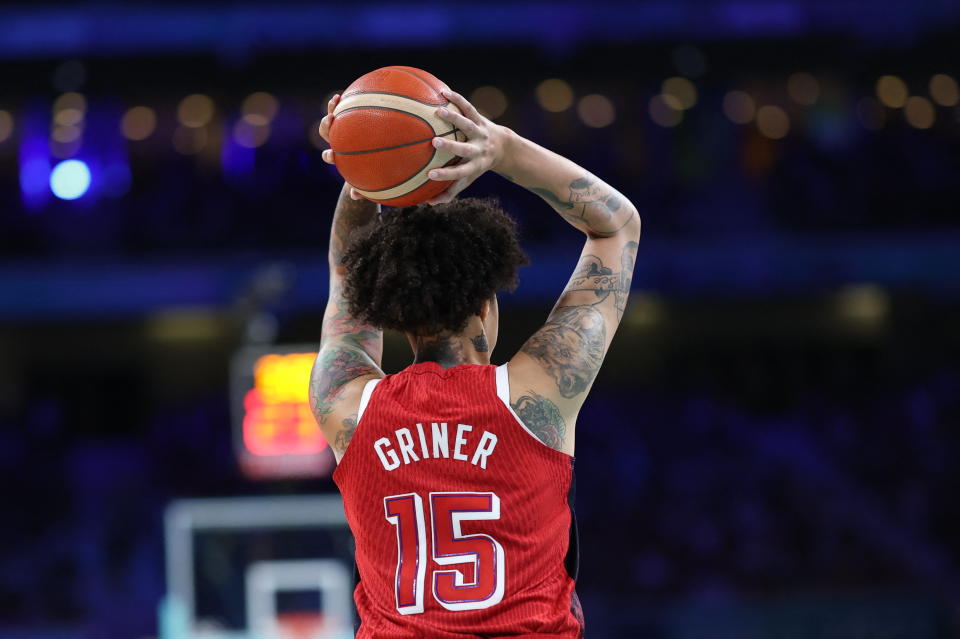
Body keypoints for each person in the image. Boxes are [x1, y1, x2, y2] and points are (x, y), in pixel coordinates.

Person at [310, 88, 640, 639]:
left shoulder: (346, 407)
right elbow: (617, 225)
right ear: (486, 304)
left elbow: (345, 272)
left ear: (390, 314)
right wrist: (500, 148)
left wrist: (366, 164)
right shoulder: (539, 392)